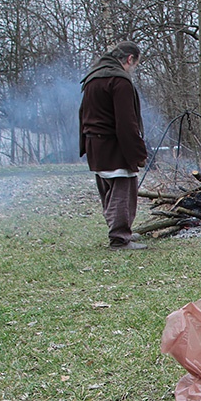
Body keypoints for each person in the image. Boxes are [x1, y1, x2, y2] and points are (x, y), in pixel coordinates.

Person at [79, 41, 149, 251]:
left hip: (95, 145)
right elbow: (126, 122)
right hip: (113, 145)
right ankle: (119, 238)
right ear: (129, 59)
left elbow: (82, 114)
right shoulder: (119, 81)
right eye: (134, 64)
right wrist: (138, 152)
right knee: (122, 191)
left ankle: (121, 230)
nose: (132, 69)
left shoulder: (93, 78)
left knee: (109, 192)